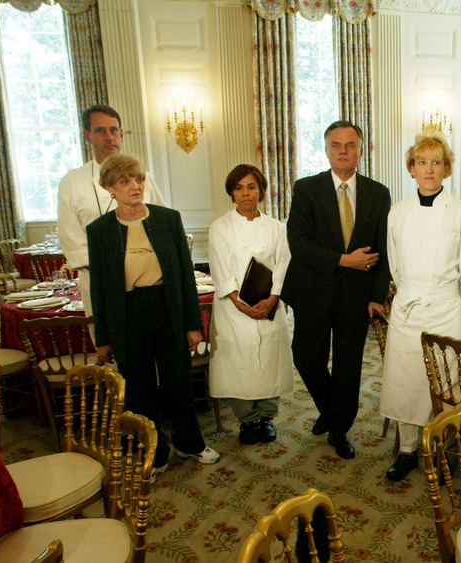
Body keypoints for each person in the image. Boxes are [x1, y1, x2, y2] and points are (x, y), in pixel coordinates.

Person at [87, 153, 219, 480]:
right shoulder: (100, 230)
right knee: (139, 388)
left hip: (166, 307)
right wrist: (103, 337)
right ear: (109, 188)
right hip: (128, 314)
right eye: (125, 181)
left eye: (139, 179)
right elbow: (100, 288)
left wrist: (193, 324)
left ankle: (190, 442)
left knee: (178, 381)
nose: (135, 186)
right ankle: (153, 451)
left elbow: (185, 278)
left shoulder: (167, 219)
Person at [281, 120, 391, 460]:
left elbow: (385, 249)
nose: (343, 152)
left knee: (348, 364)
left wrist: (376, 295)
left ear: (361, 149)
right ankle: (330, 410)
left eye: (350, 145)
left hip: (357, 296)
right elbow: (299, 244)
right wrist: (344, 260)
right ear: (326, 149)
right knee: (306, 357)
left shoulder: (378, 192)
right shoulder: (306, 189)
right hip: (313, 290)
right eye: (336, 145)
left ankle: (339, 428)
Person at [379, 131, 461, 482]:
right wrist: (412, 290)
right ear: (411, 168)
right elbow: (394, 262)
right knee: (406, 382)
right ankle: (408, 450)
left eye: (436, 162)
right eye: (421, 162)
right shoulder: (398, 213)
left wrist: (444, 292)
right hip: (408, 305)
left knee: (443, 382)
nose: (429, 169)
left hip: (445, 307)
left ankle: (441, 448)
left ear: (447, 169)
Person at [208, 164, 292, 445]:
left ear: (261, 191)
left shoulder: (275, 227)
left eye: (252, 187)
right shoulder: (220, 227)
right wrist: (239, 304)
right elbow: (220, 269)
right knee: (239, 365)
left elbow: (283, 263)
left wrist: (272, 298)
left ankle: (266, 418)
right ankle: (247, 420)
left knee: (269, 362)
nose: (246, 194)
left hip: (268, 306)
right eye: (239, 188)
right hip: (234, 310)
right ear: (231, 193)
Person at [58, 105, 167, 318]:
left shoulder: (141, 175)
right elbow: (71, 237)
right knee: (110, 347)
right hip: (99, 280)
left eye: (114, 130)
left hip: (147, 283)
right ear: (87, 136)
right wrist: (111, 267)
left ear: (121, 134)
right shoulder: (72, 182)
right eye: (100, 131)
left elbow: (160, 224)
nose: (109, 137)